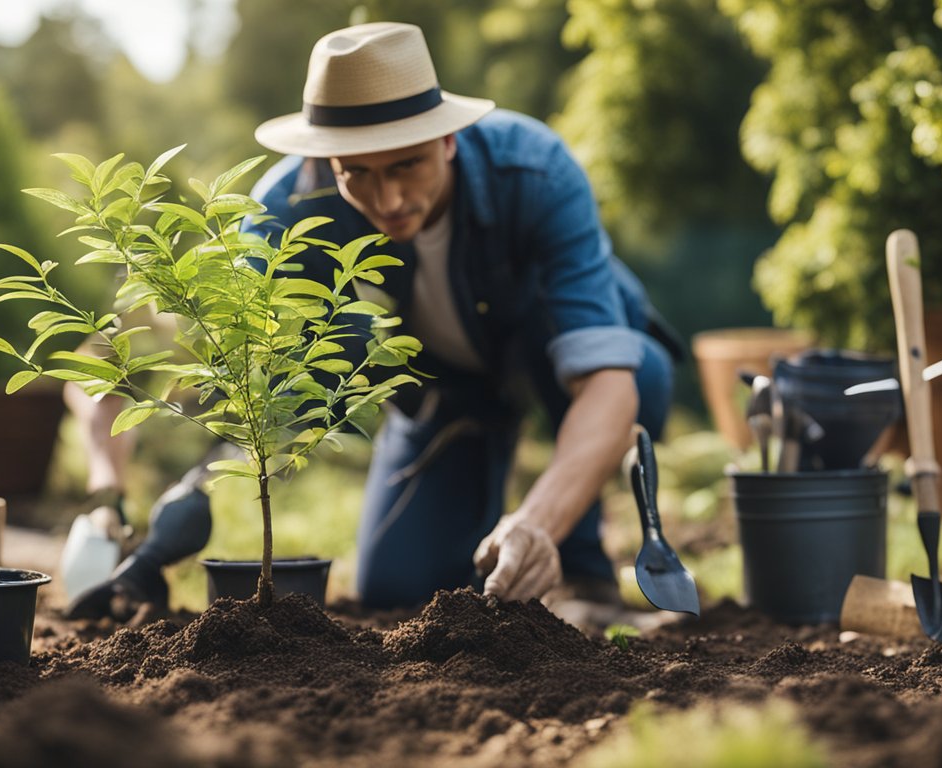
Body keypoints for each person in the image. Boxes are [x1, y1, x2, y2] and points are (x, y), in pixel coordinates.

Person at [66, 21, 681, 630]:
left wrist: (539, 522)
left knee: (639, 372)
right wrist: (129, 515)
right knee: (397, 588)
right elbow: (219, 356)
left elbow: (608, 383)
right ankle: (499, 547)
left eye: (406, 166)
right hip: (450, 390)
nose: (386, 199)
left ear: (447, 141)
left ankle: (581, 566)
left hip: (556, 361)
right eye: (355, 172)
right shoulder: (282, 214)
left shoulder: (537, 173)